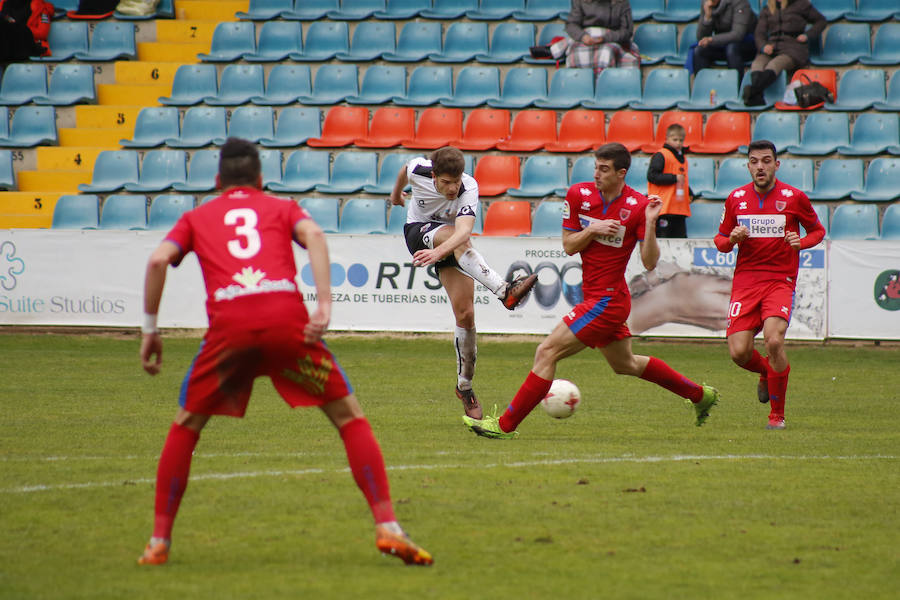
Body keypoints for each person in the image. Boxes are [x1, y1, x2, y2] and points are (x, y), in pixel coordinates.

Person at [137, 138, 432, 567]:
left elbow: (158, 261)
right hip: (286, 324)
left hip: (229, 331)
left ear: (218, 181)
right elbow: (313, 233)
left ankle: (159, 542)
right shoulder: (280, 207)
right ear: (260, 179)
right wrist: (325, 305)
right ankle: (387, 526)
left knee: (186, 425)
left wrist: (150, 330)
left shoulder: (196, 216)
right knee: (349, 417)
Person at [461, 143, 720, 439]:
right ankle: (701, 395)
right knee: (626, 364)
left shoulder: (637, 207)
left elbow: (650, 263)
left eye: (604, 169)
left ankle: (505, 426)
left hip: (608, 301)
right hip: (598, 298)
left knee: (546, 351)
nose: (596, 173)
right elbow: (570, 245)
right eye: (596, 167)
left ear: (622, 173)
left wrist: (649, 225)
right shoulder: (578, 195)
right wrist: (593, 230)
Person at [390, 147, 537, 421]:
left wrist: (439, 253)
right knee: (454, 238)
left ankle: (464, 387)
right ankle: (504, 291)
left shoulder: (468, 187)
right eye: (445, 182)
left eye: (455, 181)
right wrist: (395, 194)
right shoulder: (418, 170)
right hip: (419, 232)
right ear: (434, 175)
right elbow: (404, 169)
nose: (452, 188)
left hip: (450, 245)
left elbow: (465, 230)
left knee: (466, 315)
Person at [713, 140, 825, 430]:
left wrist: (802, 242)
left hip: (779, 280)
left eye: (766, 161)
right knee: (739, 353)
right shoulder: (736, 198)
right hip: (746, 281)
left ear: (776, 164)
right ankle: (767, 372)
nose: (760, 166)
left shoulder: (794, 197)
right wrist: (733, 239)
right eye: (754, 161)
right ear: (748, 165)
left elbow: (817, 230)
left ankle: (777, 416)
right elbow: (720, 241)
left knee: (774, 340)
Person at [741, 0, 826, 106]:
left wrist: (808, 35)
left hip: (793, 48)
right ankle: (756, 97)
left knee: (775, 64)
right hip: (772, 47)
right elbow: (759, 33)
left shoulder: (801, 5)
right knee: (757, 64)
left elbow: (821, 21)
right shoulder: (767, 9)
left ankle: (751, 92)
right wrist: (763, 46)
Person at [562, 0, 640, 75]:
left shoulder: (622, 2)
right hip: (586, 40)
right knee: (576, 52)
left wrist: (605, 38)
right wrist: (583, 36)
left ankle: (605, 82)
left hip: (613, 41)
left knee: (606, 52)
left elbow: (626, 31)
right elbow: (572, 25)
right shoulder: (580, 1)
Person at [691, 0, 758, 79]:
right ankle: (702, 87)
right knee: (699, 50)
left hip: (747, 44)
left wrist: (711, 39)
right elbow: (701, 38)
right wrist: (707, 18)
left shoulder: (740, 2)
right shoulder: (706, 3)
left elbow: (737, 35)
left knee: (732, 48)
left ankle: (737, 87)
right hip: (723, 44)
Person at [646, 123, 691, 239]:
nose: (678, 143)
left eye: (681, 140)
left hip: (679, 210)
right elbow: (652, 176)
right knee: (663, 241)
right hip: (663, 208)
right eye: (675, 139)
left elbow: (683, 180)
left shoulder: (683, 159)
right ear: (667, 139)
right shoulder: (661, 155)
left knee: (681, 242)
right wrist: (674, 178)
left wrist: (690, 193)